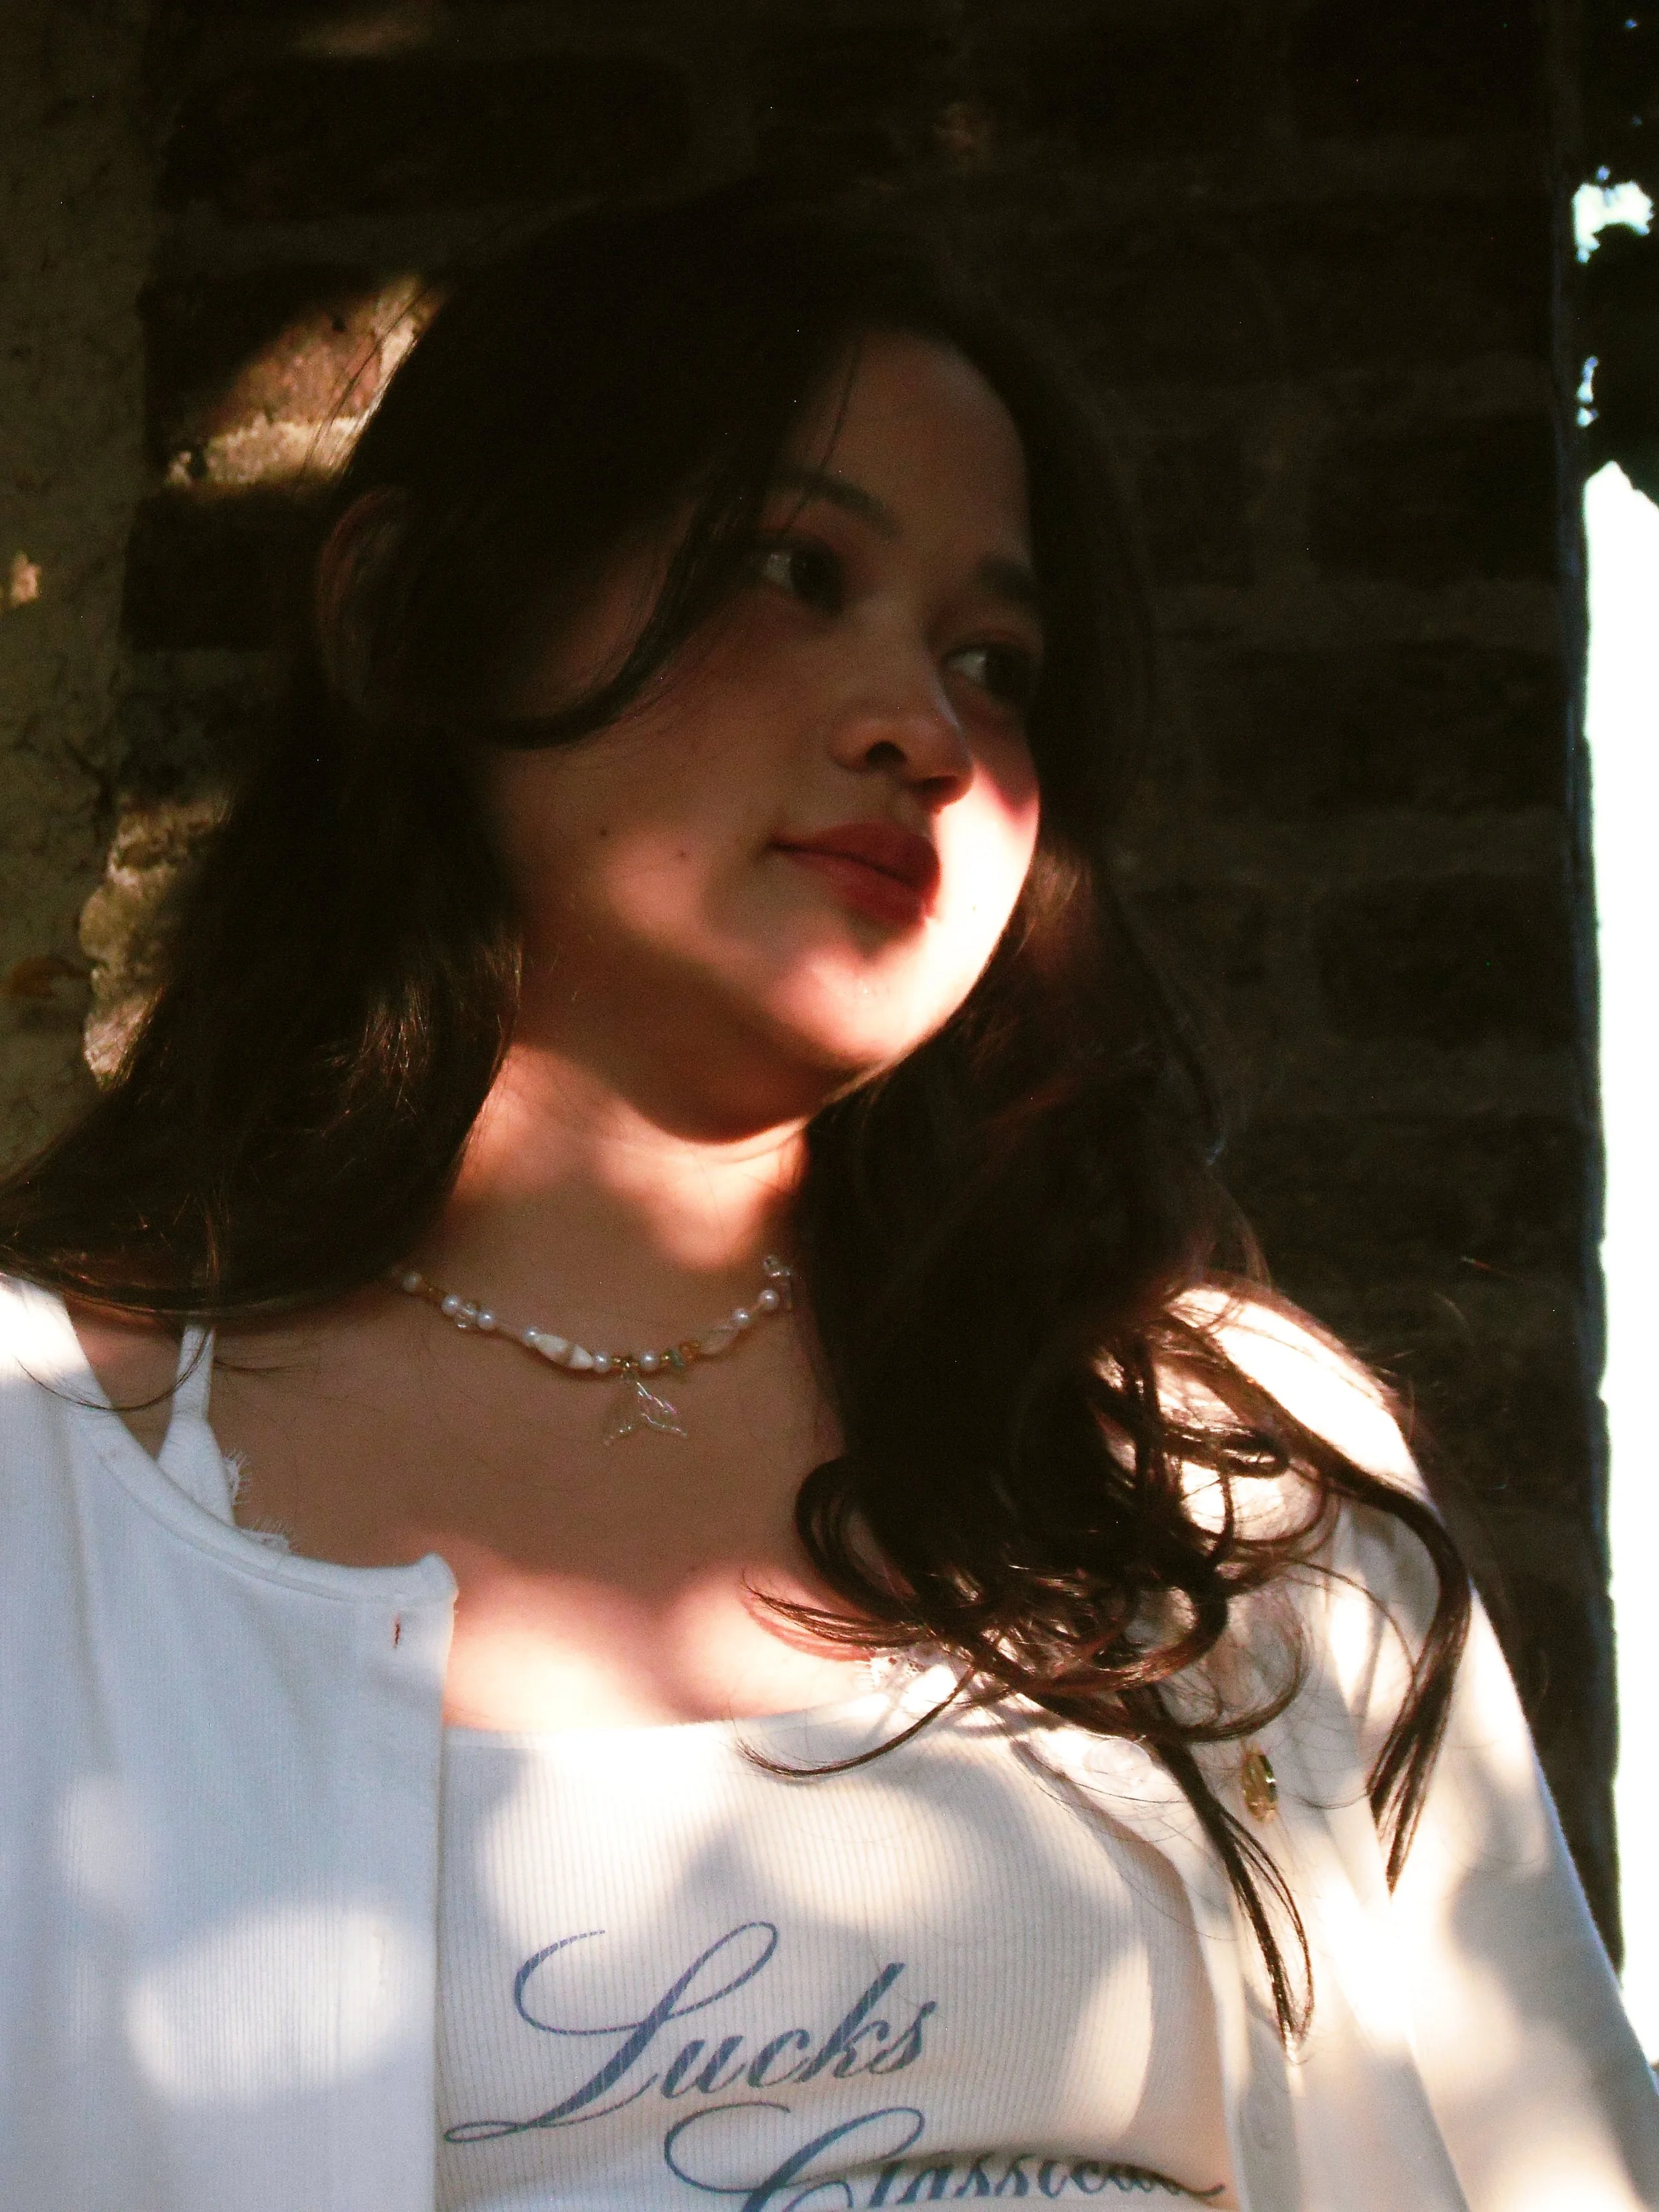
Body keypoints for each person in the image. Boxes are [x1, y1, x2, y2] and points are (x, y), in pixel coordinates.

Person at [0, 183, 1652, 2212]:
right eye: (796, 570)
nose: (926, 730)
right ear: (413, 609)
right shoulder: (48, 1487)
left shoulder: (1224, 1471)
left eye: (996, 659)